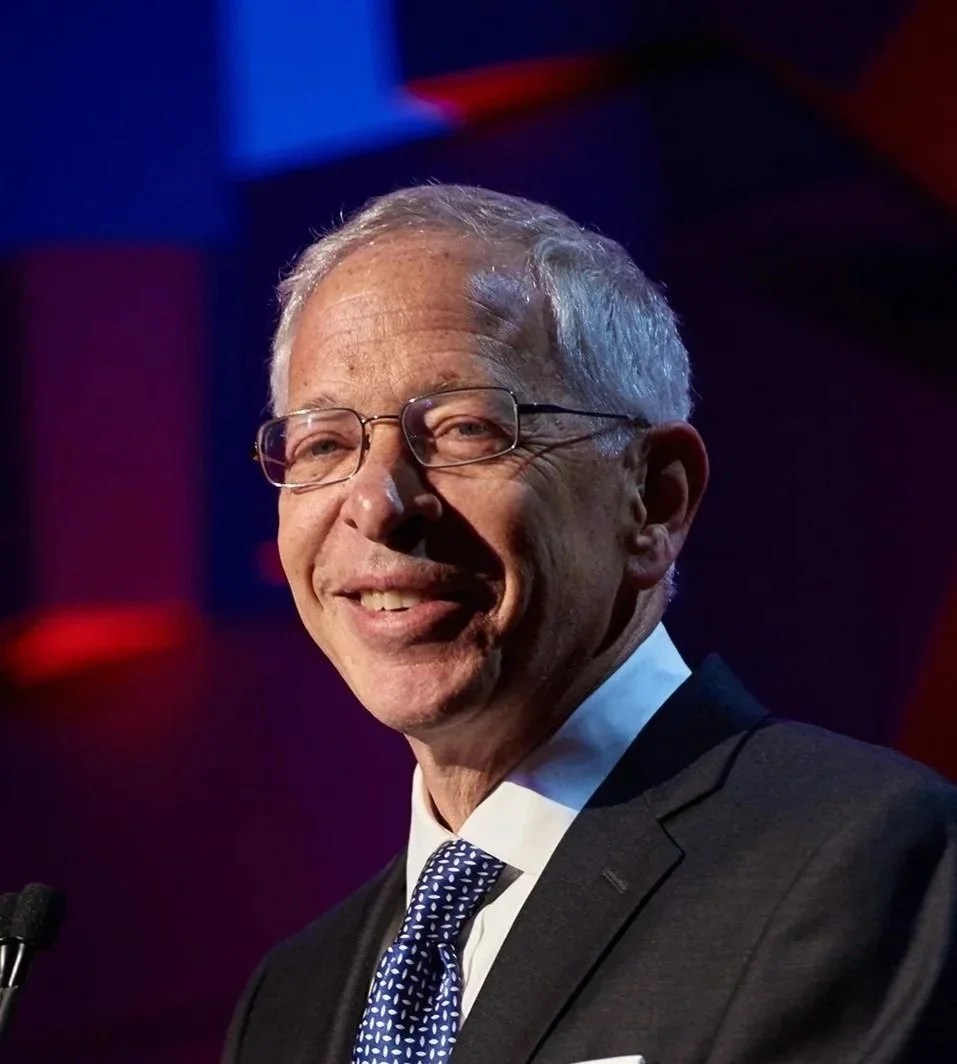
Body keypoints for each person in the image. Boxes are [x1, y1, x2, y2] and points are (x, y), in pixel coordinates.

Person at [223, 184, 957, 1064]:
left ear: (653, 499)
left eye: (465, 429)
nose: (377, 503)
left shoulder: (859, 861)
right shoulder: (289, 1004)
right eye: (323, 445)